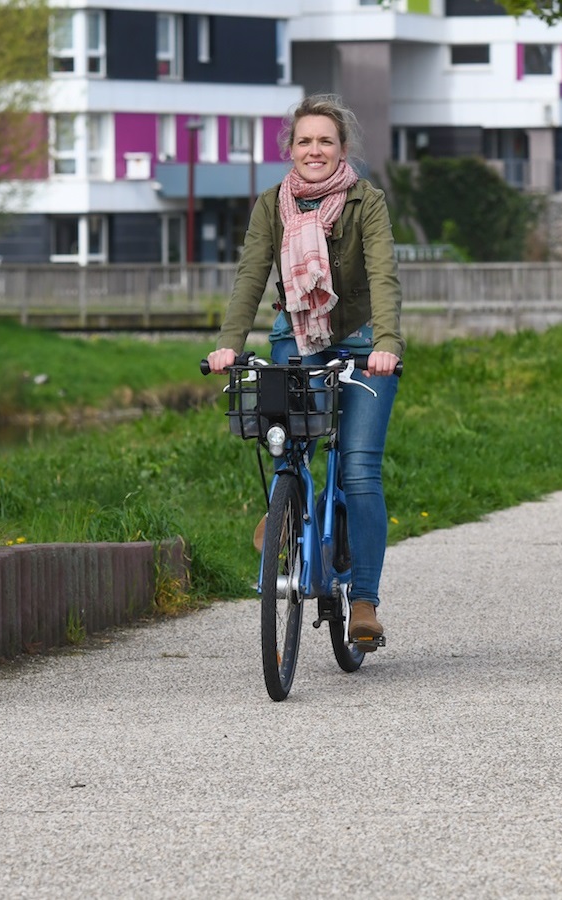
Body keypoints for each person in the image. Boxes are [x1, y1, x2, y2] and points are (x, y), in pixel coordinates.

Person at [206, 94, 403, 646]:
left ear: (342, 149)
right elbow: (250, 275)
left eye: (325, 141)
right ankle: (289, 510)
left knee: (360, 468)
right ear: (290, 149)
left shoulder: (367, 201)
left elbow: (384, 274)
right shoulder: (273, 204)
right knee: (286, 443)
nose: (314, 150)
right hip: (295, 333)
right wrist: (229, 344)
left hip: (363, 341)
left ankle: (363, 601)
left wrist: (386, 342)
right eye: (304, 141)